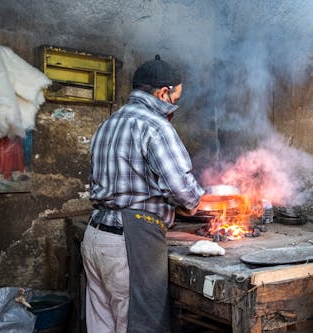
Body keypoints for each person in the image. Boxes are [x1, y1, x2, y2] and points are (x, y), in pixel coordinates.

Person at [81, 54, 204, 333]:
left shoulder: (107, 124)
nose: (175, 104)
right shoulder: (155, 126)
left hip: (95, 235)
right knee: (138, 324)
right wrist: (193, 203)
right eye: (176, 97)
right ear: (163, 92)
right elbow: (181, 188)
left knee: (102, 324)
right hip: (130, 241)